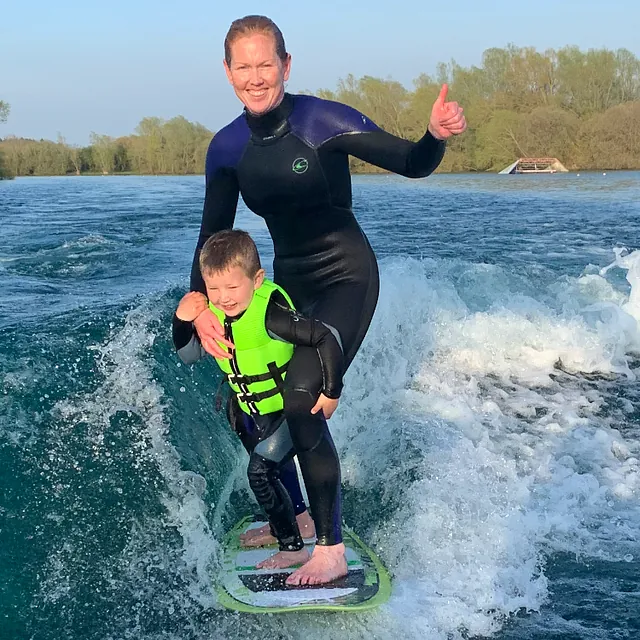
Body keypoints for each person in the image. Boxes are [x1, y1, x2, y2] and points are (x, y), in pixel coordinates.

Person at [188, 15, 467, 586]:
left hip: (346, 278)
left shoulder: (323, 122)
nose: (256, 76)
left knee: (300, 399)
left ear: (286, 65)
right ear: (227, 72)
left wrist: (434, 136)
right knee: (253, 407)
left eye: (266, 63)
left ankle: (330, 546)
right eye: (244, 66)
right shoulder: (227, 149)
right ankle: (294, 518)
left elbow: (412, 163)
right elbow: (211, 240)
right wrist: (201, 306)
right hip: (289, 285)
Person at [173, 229, 344, 571]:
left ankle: (293, 546)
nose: (224, 298)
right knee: (276, 468)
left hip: (288, 410)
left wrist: (331, 391)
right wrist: (182, 318)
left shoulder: (270, 314)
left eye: (233, 288)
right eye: (214, 289)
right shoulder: (214, 315)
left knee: (260, 473)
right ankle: (299, 521)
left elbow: (324, 336)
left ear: (257, 279)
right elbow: (188, 355)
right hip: (253, 411)